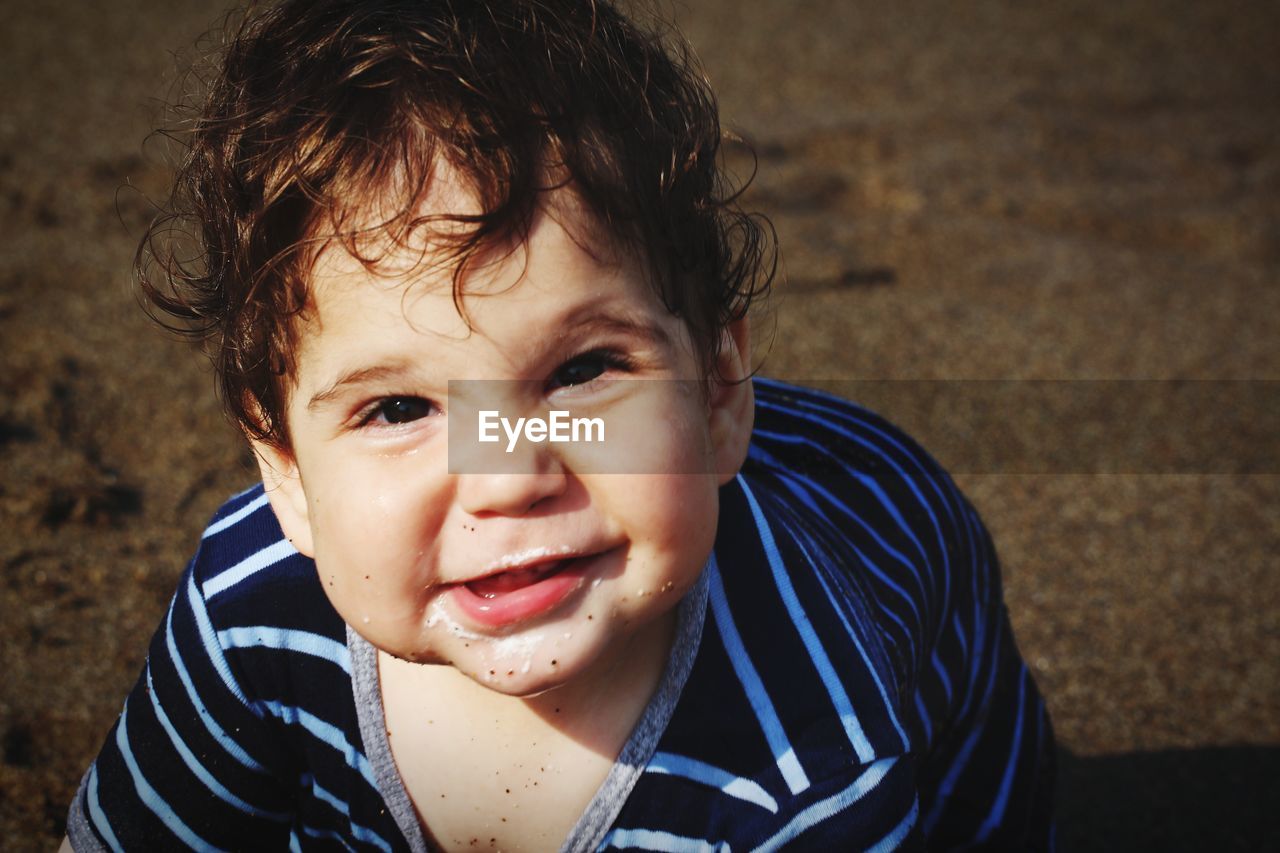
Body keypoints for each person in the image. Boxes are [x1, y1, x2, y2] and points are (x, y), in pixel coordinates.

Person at [63, 1, 1055, 849]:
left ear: (717, 395)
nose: (505, 474)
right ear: (284, 472)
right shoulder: (248, 612)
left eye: (582, 372)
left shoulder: (807, 762)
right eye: (399, 407)